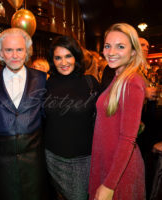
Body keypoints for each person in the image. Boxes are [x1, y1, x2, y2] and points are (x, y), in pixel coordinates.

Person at [0, 27, 47, 200]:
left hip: (35, 162)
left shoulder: (41, 79)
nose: (14, 55)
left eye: (19, 49)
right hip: (2, 163)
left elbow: (48, 117)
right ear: (1, 53)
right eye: (9, 50)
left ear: (26, 52)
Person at [89, 23, 147, 200]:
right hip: (109, 162)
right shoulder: (119, 78)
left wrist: (109, 184)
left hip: (119, 171)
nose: (111, 52)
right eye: (108, 46)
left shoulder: (132, 82)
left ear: (133, 52)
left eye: (120, 46)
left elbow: (127, 139)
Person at [44, 36, 99, 200]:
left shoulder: (90, 82)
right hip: (52, 156)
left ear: (76, 57)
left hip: (83, 158)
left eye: (68, 56)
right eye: (58, 58)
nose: (63, 62)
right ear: (52, 60)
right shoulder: (46, 83)